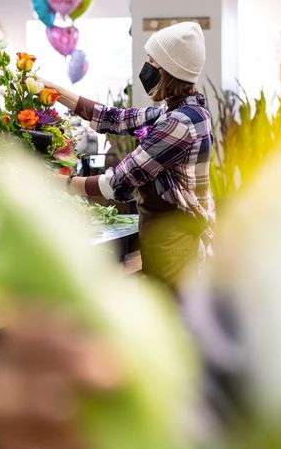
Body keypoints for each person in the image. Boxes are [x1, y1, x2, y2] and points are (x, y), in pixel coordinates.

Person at [44, 21, 214, 291]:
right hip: (169, 235)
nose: (146, 69)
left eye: (151, 62)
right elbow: (116, 118)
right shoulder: (181, 112)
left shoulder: (179, 124)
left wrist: (60, 183)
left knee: (171, 322)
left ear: (169, 71)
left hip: (177, 242)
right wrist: (54, 91)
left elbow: (118, 182)